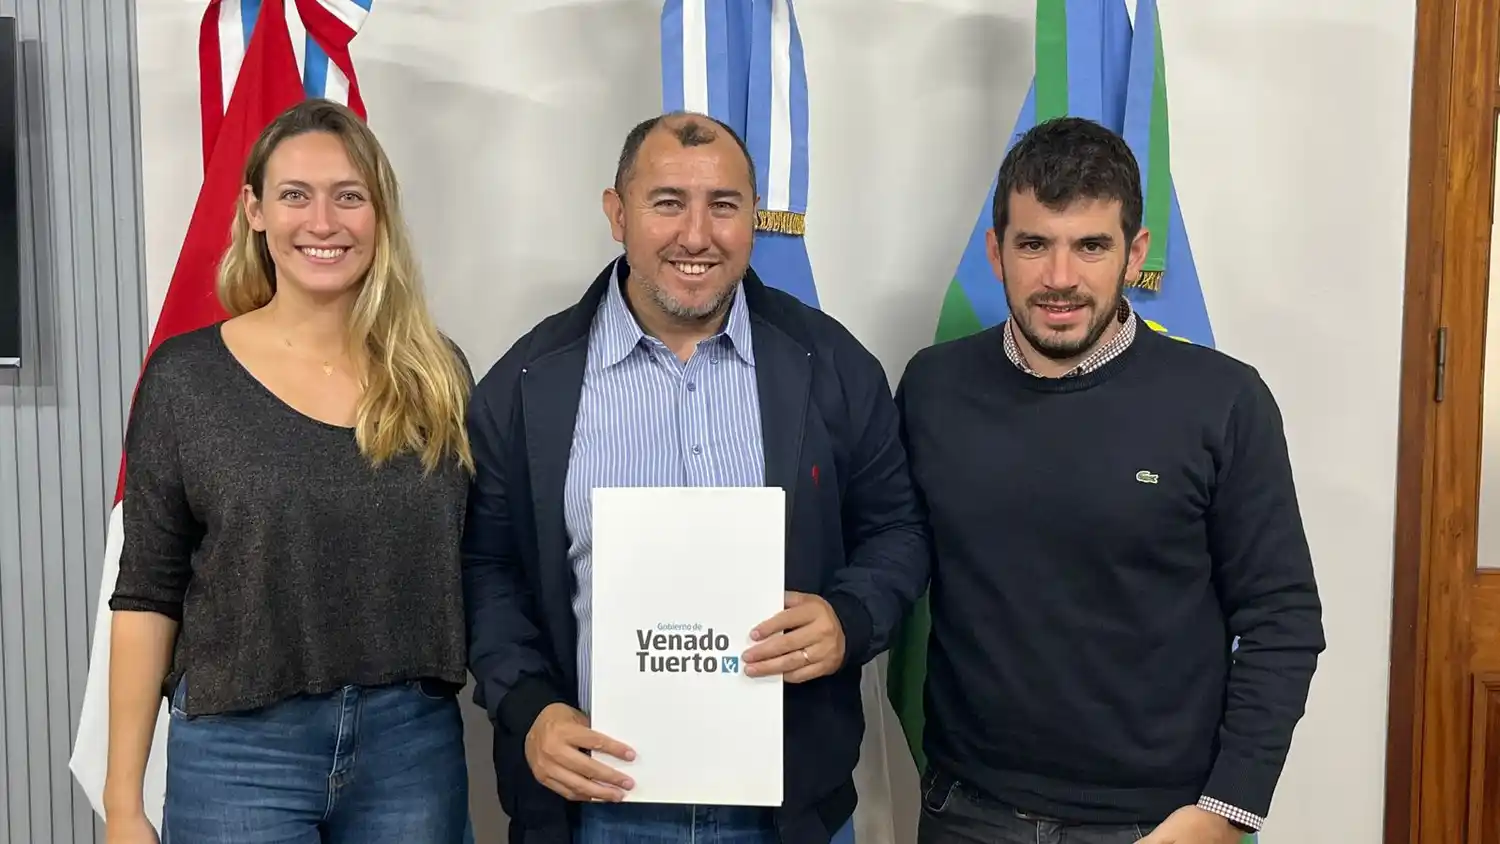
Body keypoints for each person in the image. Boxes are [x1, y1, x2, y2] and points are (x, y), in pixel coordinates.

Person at [461, 110, 930, 844]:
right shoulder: (528, 384)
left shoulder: (832, 366)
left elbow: (898, 530)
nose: (696, 235)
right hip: (596, 812)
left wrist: (851, 618)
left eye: (724, 205)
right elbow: (486, 567)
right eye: (668, 202)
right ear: (617, 213)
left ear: (754, 217)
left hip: (787, 809)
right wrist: (527, 706)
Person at [895, 116, 1325, 844]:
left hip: (1153, 824)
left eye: (1091, 246)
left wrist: (1227, 809)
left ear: (1136, 254)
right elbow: (893, 554)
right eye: (1034, 244)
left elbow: (1282, 617)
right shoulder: (934, 387)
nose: (1060, 278)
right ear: (996, 252)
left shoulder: (1223, 400)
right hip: (964, 812)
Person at [103, 98, 475, 844]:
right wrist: (122, 803)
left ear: (380, 214)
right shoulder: (187, 379)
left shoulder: (436, 374)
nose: (323, 222)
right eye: (295, 196)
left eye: (349, 196)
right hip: (241, 752)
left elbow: (484, 560)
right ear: (255, 211)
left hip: (412, 751)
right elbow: (147, 590)